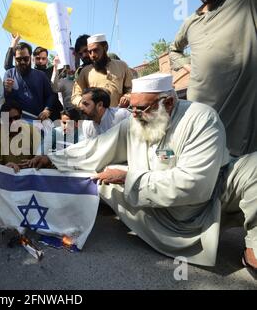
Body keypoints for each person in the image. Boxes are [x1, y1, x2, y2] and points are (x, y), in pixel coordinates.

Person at [27, 74, 257, 272]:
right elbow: (96, 148)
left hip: (214, 193)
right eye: (132, 108)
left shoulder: (201, 119)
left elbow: (196, 185)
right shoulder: (135, 121)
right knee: (101, 176)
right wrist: (53, 159)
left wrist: (128, 177)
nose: (134, 115)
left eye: (142, 108)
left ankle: (253, 247)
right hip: (158, 206)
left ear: (167, 103)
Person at [169, 0, 257, 157]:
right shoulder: (191, 21)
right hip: (202, 105)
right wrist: (190, 67)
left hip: (240, 102)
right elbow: (174, 50)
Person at [72, 34, 133, 109]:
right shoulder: (84, 71)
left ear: (105, 47)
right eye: (90, 52)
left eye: (95, 50)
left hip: (119, 114)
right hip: (96, 117)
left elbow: (131, 88)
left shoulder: (121, 65)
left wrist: (127, 97)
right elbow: (75, 96)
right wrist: (86, 105)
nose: (92, 55)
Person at [4, 42, 59, 121]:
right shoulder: (9, 74)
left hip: (38, 122)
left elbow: (50, 95)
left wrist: (47, 110)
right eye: (19, 59)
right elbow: (4, 101)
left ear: (30, 58)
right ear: (14, 58)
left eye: (25, 59)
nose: (22, 62)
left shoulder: (41, 75)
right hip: (17, 123)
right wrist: (7, 91)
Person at [0, 101, 40, 173]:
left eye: (16, 118)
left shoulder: (32, 131)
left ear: (21, 117)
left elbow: (43, 156)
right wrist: (6, 168)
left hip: (32, 177)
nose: (13, 122)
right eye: (9, 119)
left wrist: (36, 160)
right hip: (9, 180)